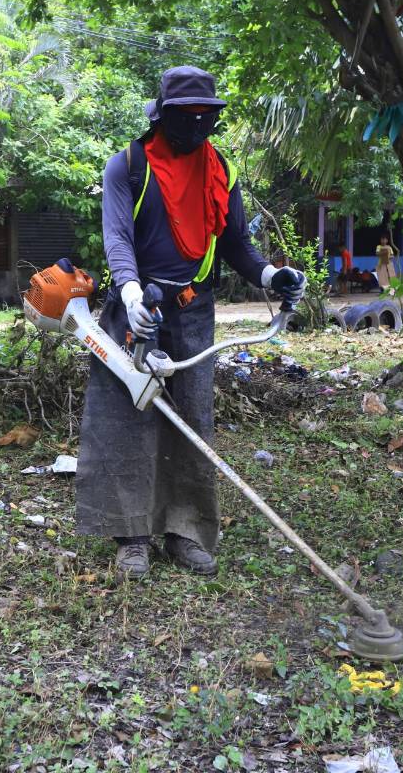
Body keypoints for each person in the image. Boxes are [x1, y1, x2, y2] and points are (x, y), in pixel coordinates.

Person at [75, 65, 307, 579]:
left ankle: (186, 532)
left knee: (192, 420)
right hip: (137, 308)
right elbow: (117, 238)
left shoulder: (220, 169)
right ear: (163, 115)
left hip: (193, 309)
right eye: (187, 115)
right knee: (130, 418)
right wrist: (131, 293)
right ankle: (132, 538)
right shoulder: (128, 166)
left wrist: (272, 275)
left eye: (207, 116)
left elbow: (237, 243)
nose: (197, 124)